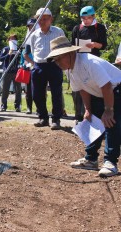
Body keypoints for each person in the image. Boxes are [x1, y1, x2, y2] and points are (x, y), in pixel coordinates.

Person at [46, 36, 121, 177]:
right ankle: (91, 159)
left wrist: (109, 110)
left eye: (59, 58)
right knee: (92, 121)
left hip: (116, 90)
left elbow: (106, 86)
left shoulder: (89, 62)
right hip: (101, 93)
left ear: (69, 53)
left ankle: (110, 162)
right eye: (55, 60)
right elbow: (82, 89)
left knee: (111, 123)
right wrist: (88, 110)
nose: (57, 63)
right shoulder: (70, 70)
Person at [24, 8, 65, 130]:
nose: (42, 21)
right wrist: (34, 64)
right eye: (40, 19)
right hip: (39, 65)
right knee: (37, 94)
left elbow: (64, 48)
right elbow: (31, 51)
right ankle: (43, 117)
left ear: (51, 19)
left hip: (54, 64)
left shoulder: (58, 32)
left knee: (56, 93)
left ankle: (56, 119)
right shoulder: (34, 34)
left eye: (45, 19)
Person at [71, 6, 107, 124]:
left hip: (94, 61)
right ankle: (78, 115)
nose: (86, 20)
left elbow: (104, 45)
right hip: (80, 60)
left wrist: (95, 44)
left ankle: (95, 114)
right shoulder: (77, 28)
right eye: (83, 18)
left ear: (93, 17)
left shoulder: (99, 28)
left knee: (94, 87)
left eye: (88, 18)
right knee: (79, 88)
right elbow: (72, 45)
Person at [0, 34, 21, 112]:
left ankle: (18, 106)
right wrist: (9, 54)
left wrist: (19, 54)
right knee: (5, 89)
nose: (12, 41)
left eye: (14, 39)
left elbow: (21, 59)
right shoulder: (5, 49)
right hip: (7, 71)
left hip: (16, 71)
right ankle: (3, 105)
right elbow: (1, 59)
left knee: (18, 89)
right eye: (11, 39)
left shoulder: (19, 49)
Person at [21, 18, 37, 114]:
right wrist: (29, 62)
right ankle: (29, 107)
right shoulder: (28, 39)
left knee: (38, 89)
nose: (31, 28)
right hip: (29, 68)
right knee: (28, 89)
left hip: (40, 66)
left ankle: (39, 109)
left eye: (33, 26)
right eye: (30, 26)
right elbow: (24, 54)